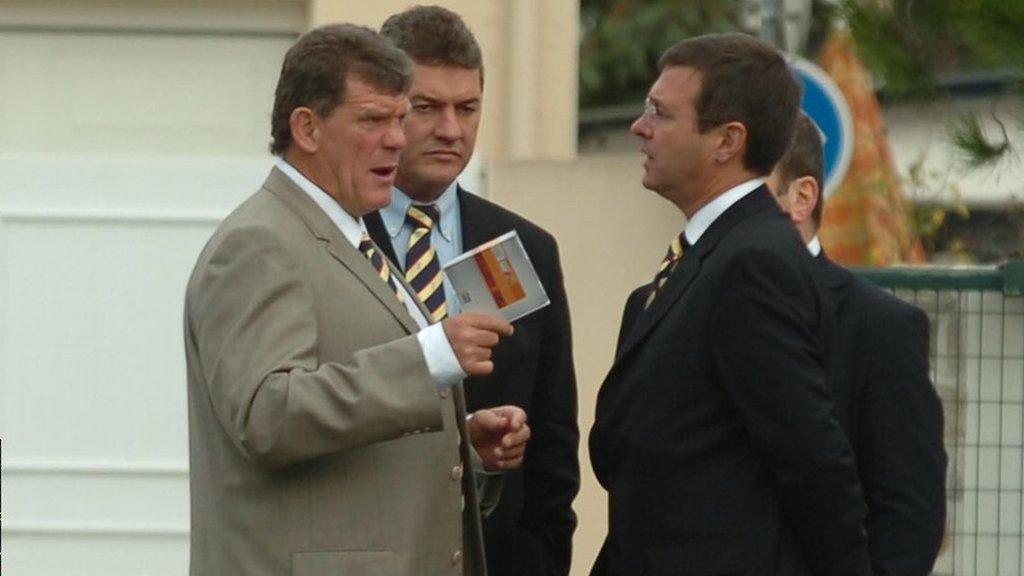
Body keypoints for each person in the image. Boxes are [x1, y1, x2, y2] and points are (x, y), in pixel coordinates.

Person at [184, 23, 531, 576]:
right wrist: (430, 360)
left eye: (399, 118)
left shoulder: (350, 234)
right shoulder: (261, 242)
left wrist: (464, 449)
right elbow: (264, 416)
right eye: (373, 119)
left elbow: (356, 430)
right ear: (308, 128)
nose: (397, 138)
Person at [589, 33, 872, 576]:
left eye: (660, 113)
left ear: (726, 141)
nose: (639, 127)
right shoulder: (714, 253)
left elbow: (812, 459)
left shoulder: (752, 263)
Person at [365, 6, 580, 576]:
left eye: (467, 108)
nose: (451, 130)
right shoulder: (337, 235)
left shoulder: (527, 247)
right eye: (427, 107)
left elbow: (554, 443)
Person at [767, 114, 947, 576]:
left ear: (802, 197)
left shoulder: (880, 327)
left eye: (747, 194)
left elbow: (908, 513)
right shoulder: (658, 298)